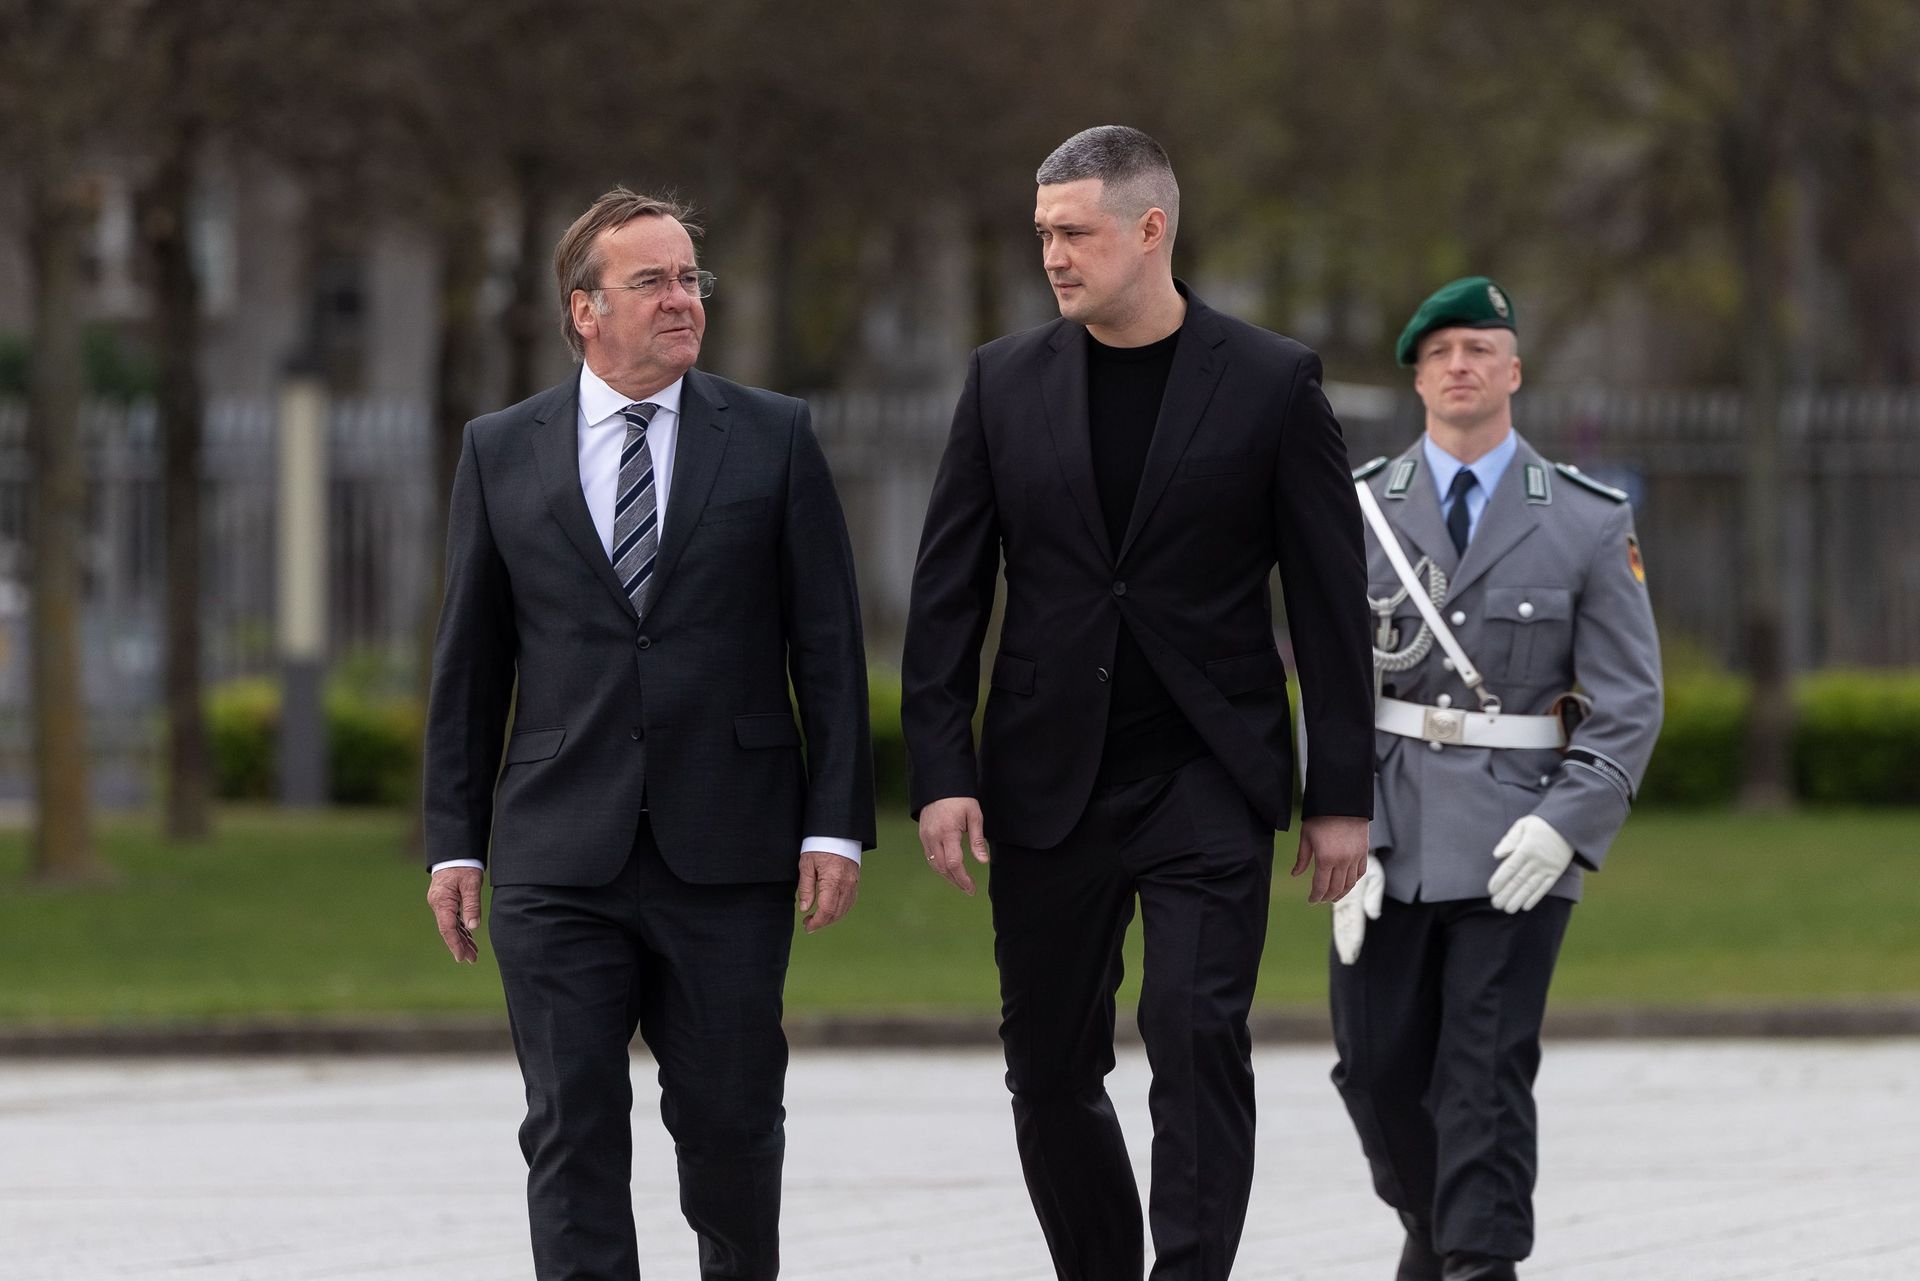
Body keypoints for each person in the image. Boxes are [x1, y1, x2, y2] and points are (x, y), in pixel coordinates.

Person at [901, 126, 1375, 1281]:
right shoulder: (1000, 382)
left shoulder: (1271, 382)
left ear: (1150, 229)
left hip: (1207, 771)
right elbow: (948, 593)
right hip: (1045, 777)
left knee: (1196, 1033)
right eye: (1042, 235)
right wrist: (943, 772)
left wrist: (1340, 797)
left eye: (1074, 233)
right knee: (1049, 1069)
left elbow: (1330, 605)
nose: (1053, 257)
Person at [420, 187, 875, 1281]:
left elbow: (829, 647)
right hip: (557, 850)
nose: (682, 300)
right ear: (585, 310)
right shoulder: (500, 449)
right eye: (652, 282)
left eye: (690, 279)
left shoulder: (772, 436)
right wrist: (455, 841)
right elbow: (471, 664)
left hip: (729, 846)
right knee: (570, 1127)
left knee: (731, 1127)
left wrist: (834, 824)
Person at [1330, 277, 1664, 1281]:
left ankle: (1478, 1261)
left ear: (1514, 371)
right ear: (1417, 379)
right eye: (1439, 353)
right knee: (1375, 1069)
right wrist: (1342, 821)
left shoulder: (1586, 519)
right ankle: (1436, 1229)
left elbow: (1629, 700)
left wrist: (1568, 823)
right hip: (1387, 835)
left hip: (1520, 836)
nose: (1459, 366)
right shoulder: (1355, 509)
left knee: (1483, 1072)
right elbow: (1325, 684)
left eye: (1479, 348)